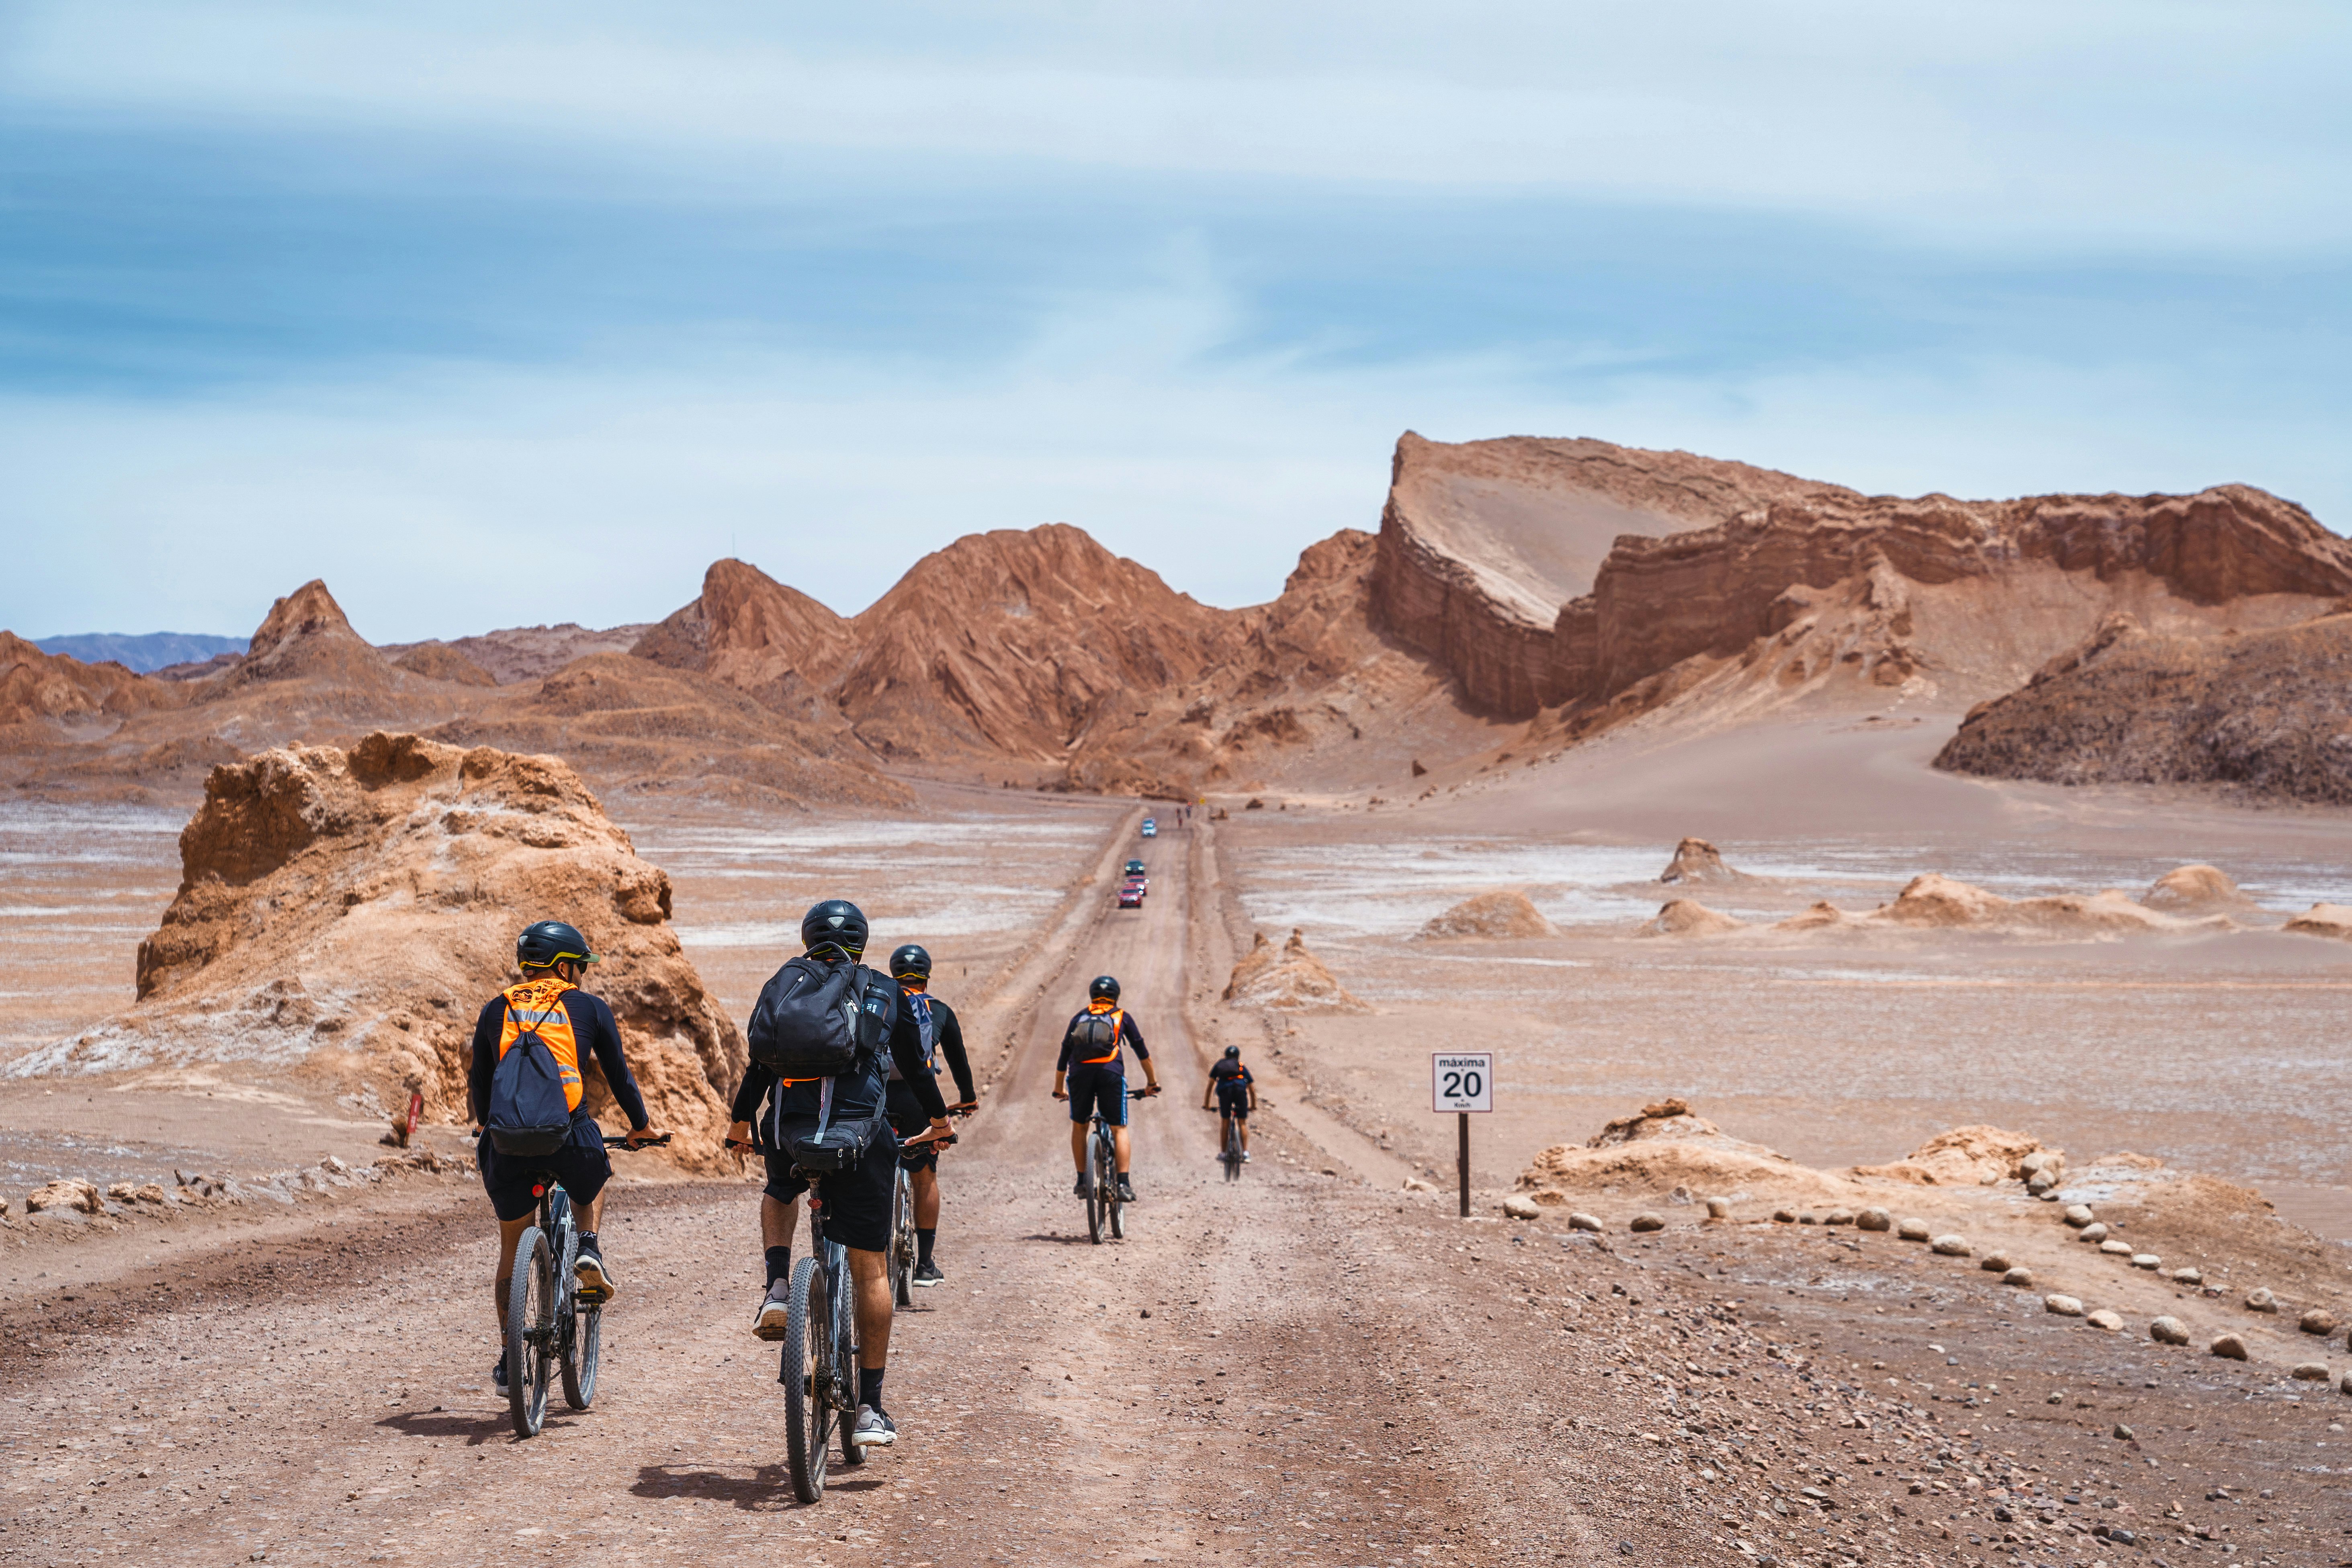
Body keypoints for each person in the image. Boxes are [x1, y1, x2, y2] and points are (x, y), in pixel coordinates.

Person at [728, 900, 952, 1449]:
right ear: (862, 941)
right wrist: (940, 1118)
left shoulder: (785, 983)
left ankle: (778, 1284)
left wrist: (740, 1121)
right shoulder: (882, 988)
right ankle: (871, 1405)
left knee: (780, 1188)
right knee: (870, 1267)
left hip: (790, 1130)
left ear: (808, 939)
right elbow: (916, 1067)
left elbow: (759, 1063)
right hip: (859, 1137)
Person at [469, 919, 663, 1394]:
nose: (583, 976)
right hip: (566, 1136)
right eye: (580, 967)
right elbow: (619, 1074)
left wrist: (482, 1124)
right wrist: (640, 1127)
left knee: (511, 1248)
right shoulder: (588, 1007)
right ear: (563, 966)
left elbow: (479, 1078)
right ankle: (590, 1245)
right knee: (592, 1171)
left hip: (507, 1142)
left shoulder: (497, 1008)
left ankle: (507, 1355)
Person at [885, 944, 978, 1287]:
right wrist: (967, 1099)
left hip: (876, 1096)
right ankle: (924, 1265)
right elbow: (959, 1062)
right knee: (924, 1175)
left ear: (893, 974)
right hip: (917, 1098)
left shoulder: (878, 1002)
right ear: (926, 977)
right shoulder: (939, 1010)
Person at [1051, 974, 1160, 1202]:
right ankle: (1123, 1184)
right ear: (1116, 996)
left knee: (1080, 1126)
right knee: (1119, 1128)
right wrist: (1152, 1083)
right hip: (1111, 1074)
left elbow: (1065, 1054)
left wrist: (1059, 1088)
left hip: (1079, 1075)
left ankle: (1082, 1181)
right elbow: (1142, 1053)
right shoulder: (1122, 1017)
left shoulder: (1079, 1017)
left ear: (1092, 995)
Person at [1203, 1043, 1256, 1160]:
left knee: (1225, 1122)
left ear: (1226, 1055)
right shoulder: (1241, 1066)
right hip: (1240, 1091)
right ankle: (1246, 1153)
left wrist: (1207, 1104)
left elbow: (1210, 1086)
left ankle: (1223, 1154)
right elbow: (1251, 1089)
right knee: (1242, 1123)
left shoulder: (1220, 1065)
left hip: (1225, 1092)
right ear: (1238, 1056)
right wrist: (1253, 1106)